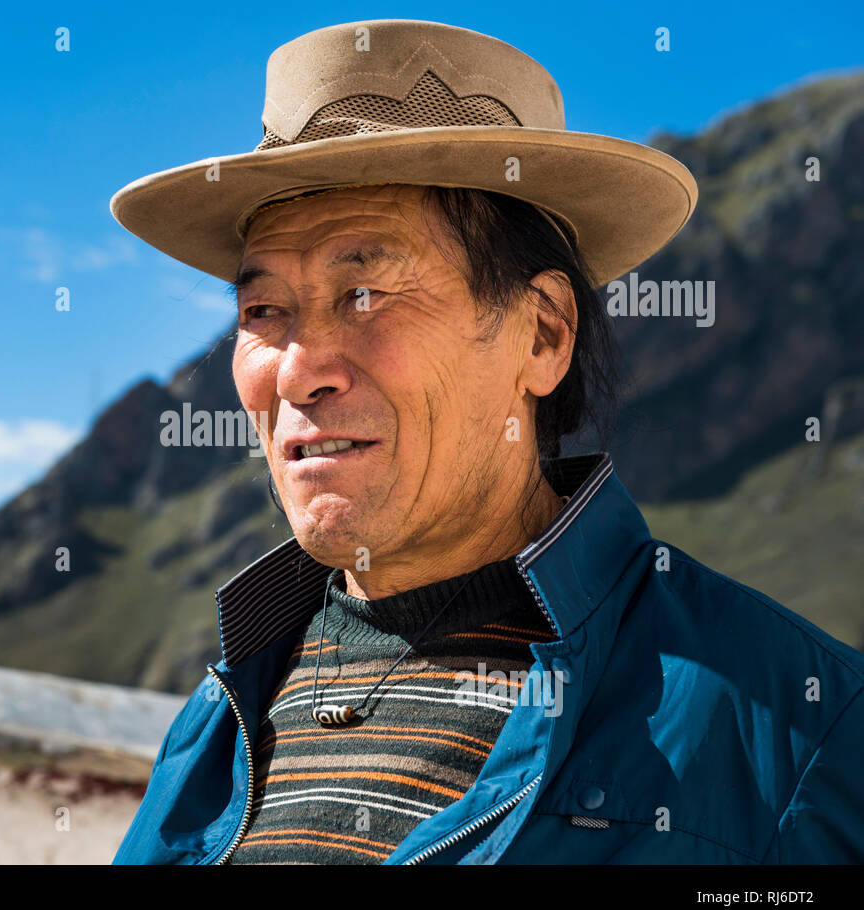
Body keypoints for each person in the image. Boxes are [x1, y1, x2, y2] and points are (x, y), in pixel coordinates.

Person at [108, 19, 864, 864]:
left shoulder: (804, 733)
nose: (298, 369)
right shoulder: (218, 721)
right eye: (262, 311)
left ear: (542, 334)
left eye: (364, 292)